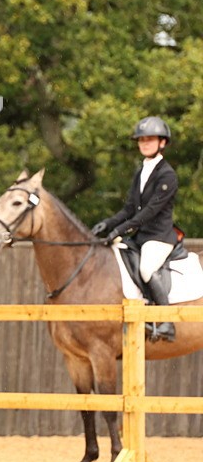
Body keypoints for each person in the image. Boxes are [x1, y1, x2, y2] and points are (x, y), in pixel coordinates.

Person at [91, 116, 179, 342]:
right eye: (141, 140)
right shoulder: (141, 172)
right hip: (140, 236)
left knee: (147, 269)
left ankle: (167, 321)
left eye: (150, 139)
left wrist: (120, 230)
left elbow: (149, 211)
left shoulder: (167, 174)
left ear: (162, 143)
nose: (145, 143)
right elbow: (130, 208)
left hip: (159, 237)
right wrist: (108, 224)